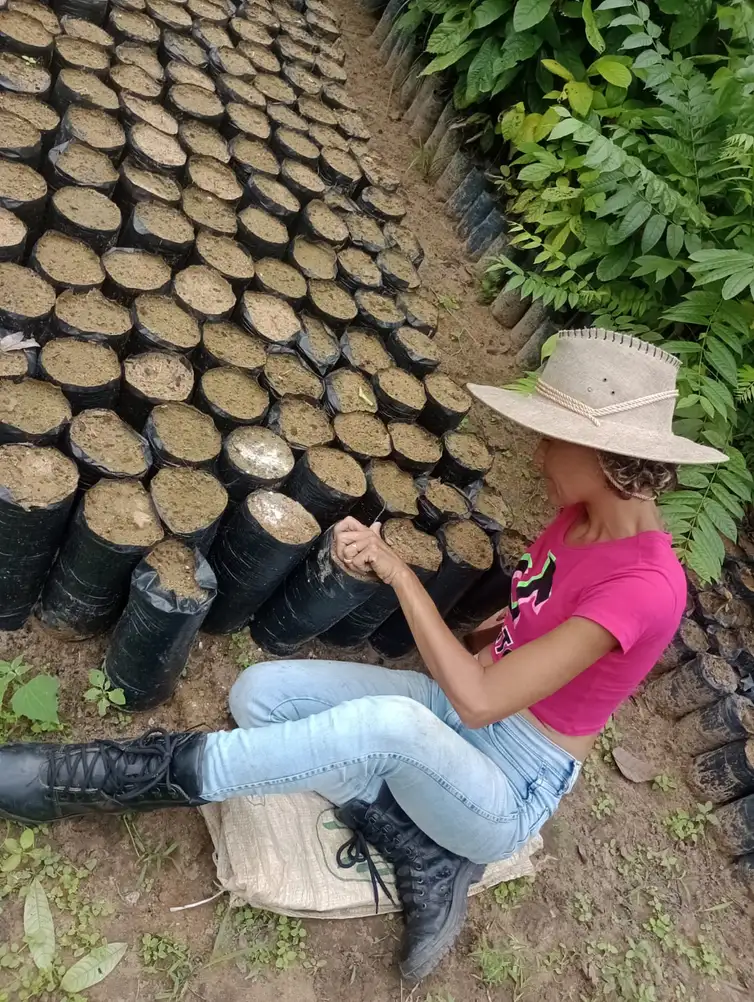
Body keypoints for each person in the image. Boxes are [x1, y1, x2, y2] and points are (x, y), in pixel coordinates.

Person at [0, 328, 726, 982]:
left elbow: (479, 699)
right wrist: (474, 622)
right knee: (261, 694)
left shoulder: (646, 586)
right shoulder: (578, 521)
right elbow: (518, 625)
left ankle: (91, 778)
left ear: (605, 457)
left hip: (512, 778)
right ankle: (420, 849)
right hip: (464, 719)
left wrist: (401, 573)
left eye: (551, 438)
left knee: (389, 727)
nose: (537, 453)